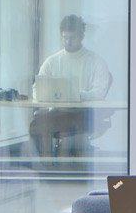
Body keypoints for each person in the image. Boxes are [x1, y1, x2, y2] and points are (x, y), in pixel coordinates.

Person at [30, 14, 114, 159]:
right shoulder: (52, 62)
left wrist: (78, 95)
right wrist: (46, 95)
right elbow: (37, 90)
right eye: (64, 37)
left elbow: (100, 92)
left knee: (61, 126)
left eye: (72, 38)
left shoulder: (95, 61)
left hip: (84, 113)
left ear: (81, 36)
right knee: (36, 125)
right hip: (58, 113)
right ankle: (46, 166)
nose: (68, 42)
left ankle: (66, 159)